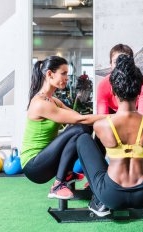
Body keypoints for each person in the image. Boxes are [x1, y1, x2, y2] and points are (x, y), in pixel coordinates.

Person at [77, 54, 143, 218]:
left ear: (113, 91)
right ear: (138, 90)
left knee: (83, 139)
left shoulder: (101, 125)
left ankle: (100, 203)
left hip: (110, 195)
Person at [21, 56, 105, 200]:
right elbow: (81, 120)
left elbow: (78, 117)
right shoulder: (40, 103)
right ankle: (58, 185)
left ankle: (70, 174)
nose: (67, 78)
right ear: (49, 74)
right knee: (81, 128)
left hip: (47, 159)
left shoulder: (54, 101)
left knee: (85, 129)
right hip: (34, 165)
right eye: (63, 73)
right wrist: (116, 116)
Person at [96, 44, 143, 115]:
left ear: (132, 64)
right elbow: (101, 115)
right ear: (110, 64)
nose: (120, 66)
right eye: (116, 62)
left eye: (125, 62)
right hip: (111, 113)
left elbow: (142, 116)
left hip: (134, 113)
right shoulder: (103, 85)